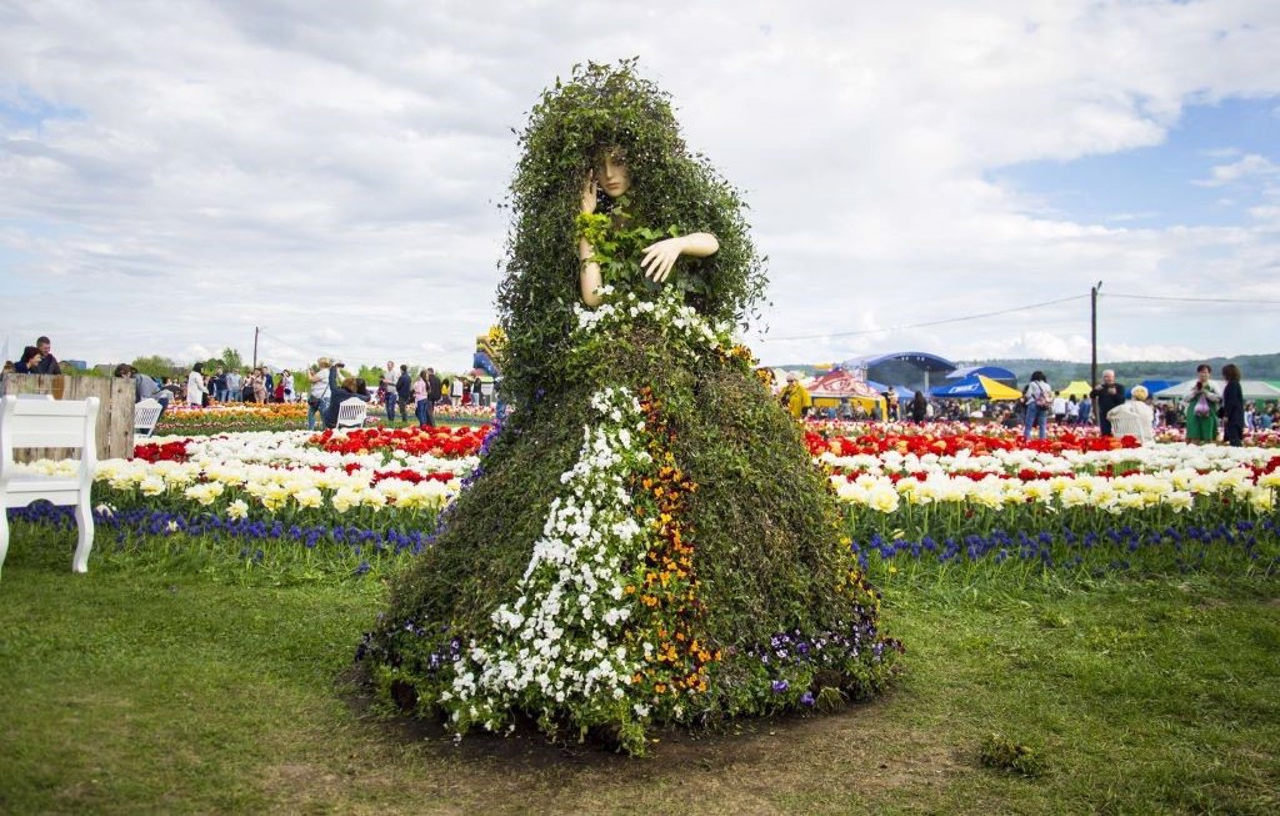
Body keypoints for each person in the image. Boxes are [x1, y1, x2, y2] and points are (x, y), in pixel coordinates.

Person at [367, 63, 895, 750]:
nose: (611, 173)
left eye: (619, 161)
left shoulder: (666, 214)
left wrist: (677, 243)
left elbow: (714, 241)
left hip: (675, 350)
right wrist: (586, 226)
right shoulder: (599, 223)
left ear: (641, 160)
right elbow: (590, 298)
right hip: (610, 346)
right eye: (600, 164)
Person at [1183, 363, 1221, 444]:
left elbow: (1219, 398)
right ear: (1198, 373)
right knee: (1194, 435)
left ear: (1209, 374)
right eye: (1201, 372)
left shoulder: (1213, 384)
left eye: (1206, 372)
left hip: (1209, 413)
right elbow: (1185, 398)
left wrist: (1206, 393)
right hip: (1194, 413)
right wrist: (1195, 392)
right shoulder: (1192, 384)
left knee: (1208, 436)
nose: (1203, 374)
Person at [1090, 370, 1126, 437]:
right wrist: (1095, 390)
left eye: (1108, 377)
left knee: (1118, 434)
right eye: (1105, 377)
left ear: (1113, 377)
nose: (1106, 379)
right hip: (1104, 414)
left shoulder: (1119, 387)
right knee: (1105, 434)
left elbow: (1122, 401)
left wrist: (1115, 394)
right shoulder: (1101, 387)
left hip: (1116, 414)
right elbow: (1092, 396)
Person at [1022, 370, 1053, 441]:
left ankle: (1027, 440)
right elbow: (1050, 396)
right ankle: (1042, 441)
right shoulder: (1047, 385)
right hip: (1044, 406)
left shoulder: (1033, 384)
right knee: (1042, 425)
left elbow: (1028, 395)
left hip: (1033, 404)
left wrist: (1024, 400)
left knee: (1029, 424)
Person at [1221, 363, 1245, 447]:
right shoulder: (1236, 384)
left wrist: (1226, 414)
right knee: (1235, 439)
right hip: (1237, 416)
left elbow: (1231, 401)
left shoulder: (1232, 385)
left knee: (1234, 440)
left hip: (1233, 417)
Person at [306, 359, 332, 431]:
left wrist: (308, 371)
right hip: (323, 397)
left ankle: (313, 430)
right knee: (318, 414)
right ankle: (325, 431)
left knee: (316, 414)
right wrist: (313, 374)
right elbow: (319, 380)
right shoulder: (327, 372)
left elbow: (311, 380)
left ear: (321, 364)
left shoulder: (323, 372)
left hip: (319, 397)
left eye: (318, 363)